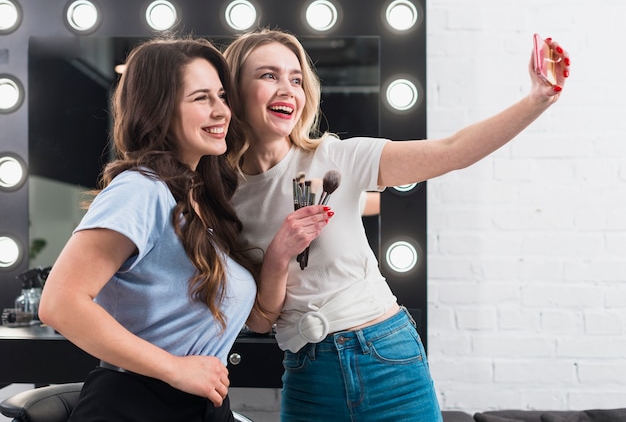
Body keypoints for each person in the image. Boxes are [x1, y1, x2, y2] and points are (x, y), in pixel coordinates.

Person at [222, 28, 570, 421]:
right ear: (232, 90)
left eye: (296, 78)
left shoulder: (338, 157)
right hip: (306, 374)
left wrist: (537, 99)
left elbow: (451, 151)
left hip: (386, 357)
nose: (288, 88)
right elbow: (260, 319)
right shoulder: (224, 199)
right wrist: (279, 255)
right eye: (269, 75)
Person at [38, 36, 331, 422]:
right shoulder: (140, 190)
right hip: (133, 407)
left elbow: (259, 320)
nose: (221, 111)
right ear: (159, 110)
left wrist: (279, 252)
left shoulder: (201, 202)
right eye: (201, 98)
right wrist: (174, 368)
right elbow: (59, 303)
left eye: (223, 96)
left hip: (200, 407)